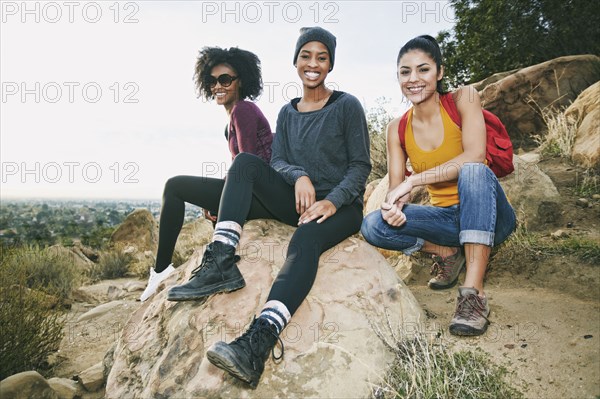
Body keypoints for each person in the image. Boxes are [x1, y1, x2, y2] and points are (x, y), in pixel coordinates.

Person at [166, 27, 371, 388]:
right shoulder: (287, 113)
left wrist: (332, 200)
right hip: (298, 198)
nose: (313, 63)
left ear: (330, 65)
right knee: (245, 163)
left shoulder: (347, 105)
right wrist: (300, 177)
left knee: (304, 241)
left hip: (341, 206)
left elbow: (360, 167)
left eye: (322, 57)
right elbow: (277, 161)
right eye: (306, 56)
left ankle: (257, 343)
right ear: (295, 62)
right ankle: (221, 260)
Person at [361, 35, 516, 336]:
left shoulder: (464, 99)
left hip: (491, 217)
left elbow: (475, 155)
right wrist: (394, 208)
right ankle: (447, 252)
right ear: (398, 77)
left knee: (472, 171)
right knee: (372, 225)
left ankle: (473, 295)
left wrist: (415, 179)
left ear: (440, 72)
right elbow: (397, 191)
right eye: (405, 72)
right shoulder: (397, 128)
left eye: (423, 69)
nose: (414, 79)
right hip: (448, 223)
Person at [140, 47, 273, 302]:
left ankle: (161, 270)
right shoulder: (230, 123)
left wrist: (225, 200)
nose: (217, 86)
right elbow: (237, 169)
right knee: (180, 188)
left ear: (241, 81)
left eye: (225, 79)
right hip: (255, 194)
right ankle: (177, 270)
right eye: (212, 81)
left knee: (174, 186)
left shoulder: (243, 110)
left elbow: (247, 165)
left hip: (263, 197)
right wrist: (219, 201)